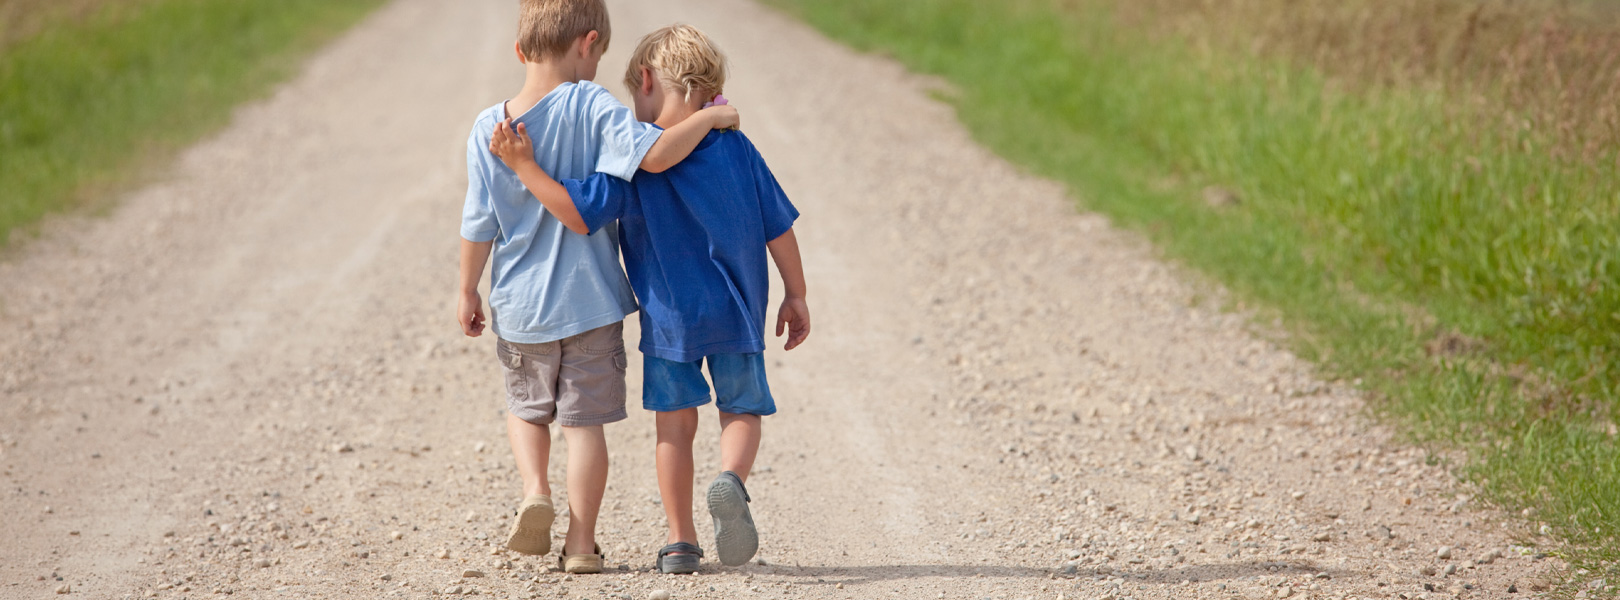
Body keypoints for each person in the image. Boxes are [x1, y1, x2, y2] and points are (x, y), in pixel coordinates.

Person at [488, 23, 809, 574]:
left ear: (645, 80)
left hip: (669, 324)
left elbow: (576, 211)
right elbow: (778, 227)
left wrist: (525, 166)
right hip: (737, 312)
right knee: (743, 410)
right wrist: (796, 296)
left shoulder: (631, 162)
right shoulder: (737, 148)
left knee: (674, 430)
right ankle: (730, 480)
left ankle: (680, 541)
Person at [455, 1, 739, 575]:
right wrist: (710, 117)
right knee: (585, 427)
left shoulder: (489, 127)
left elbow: (477, 223)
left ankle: (536, 489)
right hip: (590, 304)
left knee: (527, 410)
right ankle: (581, 544)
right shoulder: (590, 104)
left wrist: (467, 290)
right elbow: (655, 156)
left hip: (520, 306)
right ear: (589, 44)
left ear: (520, 51)